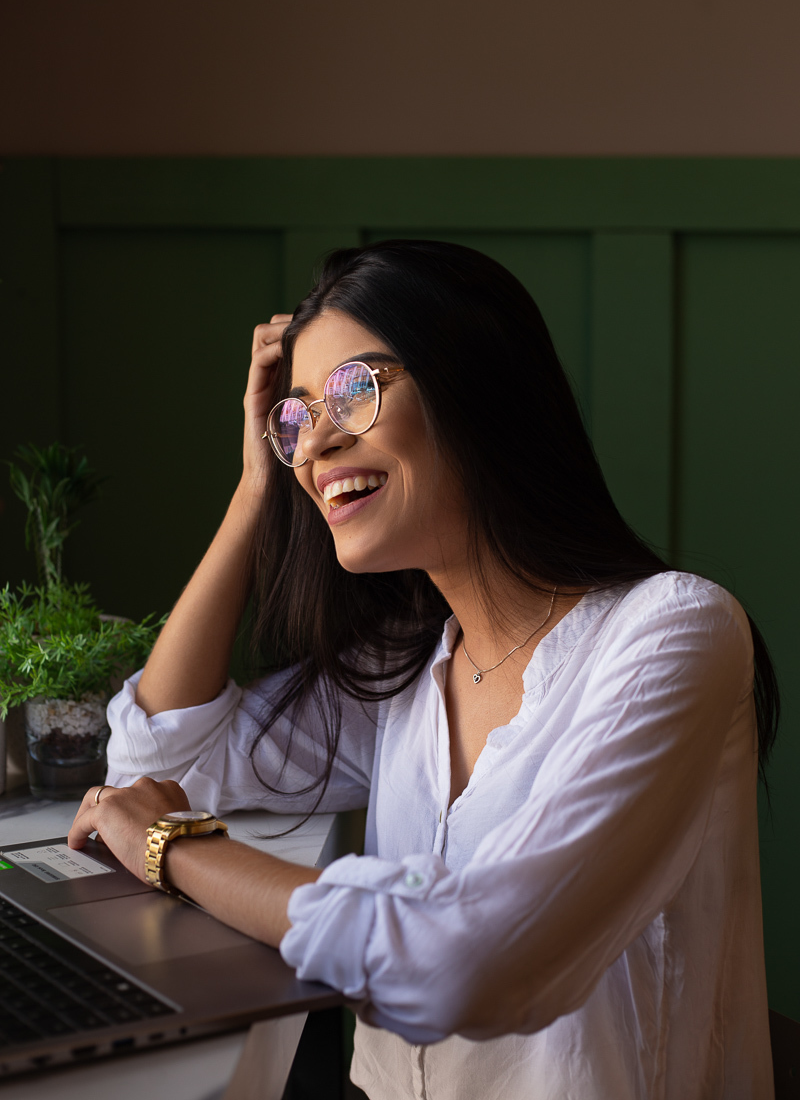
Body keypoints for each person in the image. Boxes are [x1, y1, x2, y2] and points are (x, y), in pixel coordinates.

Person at [69, 240, 778, 1100]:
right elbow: (158, 765)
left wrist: (170, 846)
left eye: (354, 392)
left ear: (475, 387)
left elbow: (469, 960)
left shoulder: (673, 632)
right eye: (294, 418)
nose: (313, 445)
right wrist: (255, 484)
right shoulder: (405, 670)